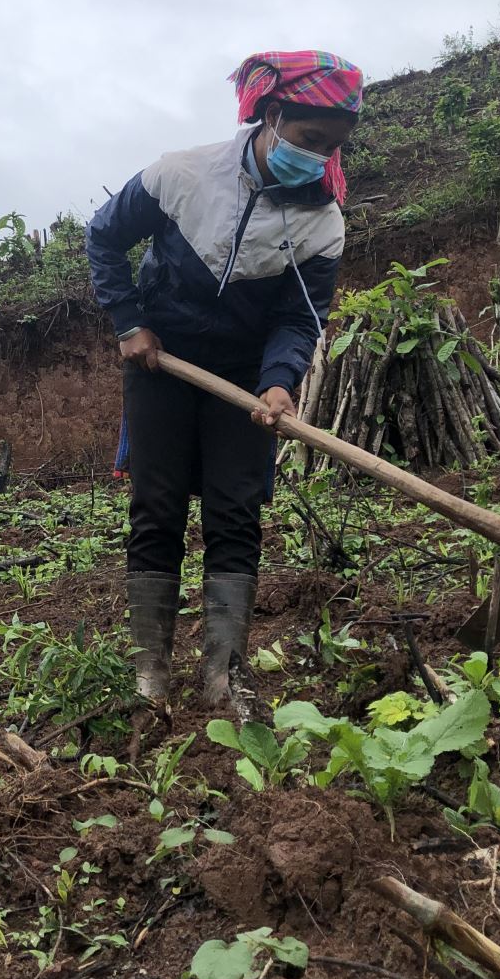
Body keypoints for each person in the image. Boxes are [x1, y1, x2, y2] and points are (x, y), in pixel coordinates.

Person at [86, 50, 363, 708]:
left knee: (235, 514)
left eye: (333, 148)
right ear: (272, 116)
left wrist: (278, 381)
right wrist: (129, 324)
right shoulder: (180, 175)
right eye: (309, 141)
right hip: (163, 361)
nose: (320, 158)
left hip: (242, 375)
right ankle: (149, 672)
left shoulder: (322, 224)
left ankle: (221, 674)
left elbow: (300, 318)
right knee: (155, 509)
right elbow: (104, 236)